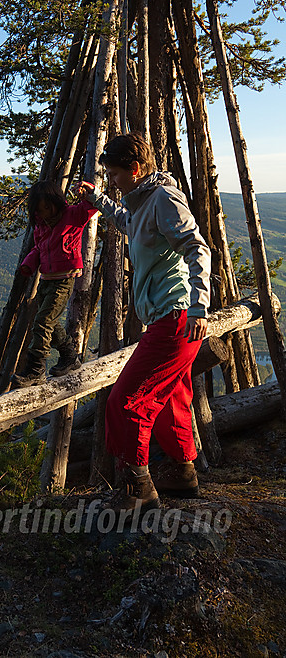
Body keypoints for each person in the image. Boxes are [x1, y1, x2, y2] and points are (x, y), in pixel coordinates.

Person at [78, 133, 211, 514]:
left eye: (116, 175)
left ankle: (138, 488)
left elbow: (196, 247)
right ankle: (182, 474)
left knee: (126, 401)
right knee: (171, 398)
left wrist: (200, 307)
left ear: (135, 170)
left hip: (178, 317)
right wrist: (95, 200)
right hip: (167, 319)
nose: (113, 181)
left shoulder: (164, 199)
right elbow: (128, 224)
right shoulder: (140, 202)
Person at [11, 180, 98, 388]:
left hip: (64, 280)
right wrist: (28, 265)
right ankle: (70, 355)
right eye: (40, 210)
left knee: (43, 321)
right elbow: (39, 249)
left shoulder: (73, 215)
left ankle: (35, 369)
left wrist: (88, 190)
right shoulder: (41, 225)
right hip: (46, 279)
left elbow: (93, 205)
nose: (46, 213)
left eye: (48, 208)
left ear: (56, 201)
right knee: (49, 321)